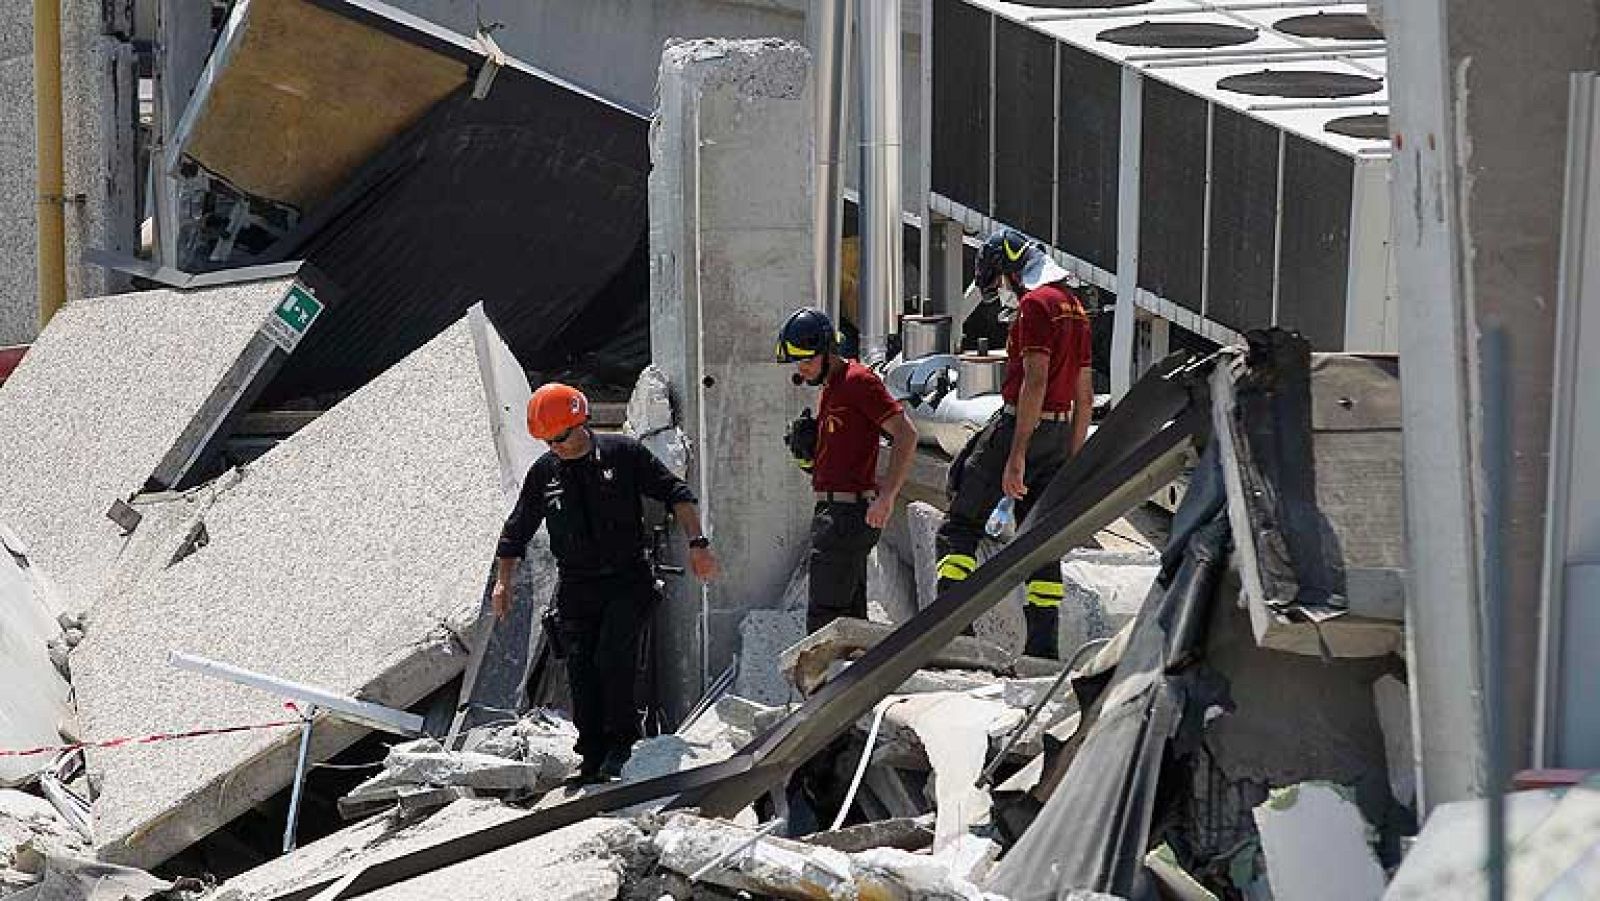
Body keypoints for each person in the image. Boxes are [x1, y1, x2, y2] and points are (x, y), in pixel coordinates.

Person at [491, 382, 719, 783]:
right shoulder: (545, 473)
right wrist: (503, 583)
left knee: (613, 660)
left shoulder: (623, 454)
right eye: (546, 440)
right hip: (577, 587)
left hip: (627, 580)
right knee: (580, 669)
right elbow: (516, 530)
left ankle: (622, 746)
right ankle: (591, 754)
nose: (554, 446)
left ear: (580, 423)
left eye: (559, 437)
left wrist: (698, 544)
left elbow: (676, 493)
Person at [935, 229, 1094, 659]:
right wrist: (1074, 460)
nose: (1002, 291)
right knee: (1040, 538)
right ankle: (1042, 651)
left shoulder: (1035, 306)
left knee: (959, 526)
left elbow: (1035, 381)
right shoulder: (1075, 308)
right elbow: (1084, 393)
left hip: (1023, 426)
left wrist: (1017, 454)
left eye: (1000, 281)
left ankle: (955, 637)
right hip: (1060, 436)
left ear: (1009, 270)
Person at [776, 307, 918, 634]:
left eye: (807, 360)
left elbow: (906, 434)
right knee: (849, 625)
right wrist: (810, 458)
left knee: (823, 624)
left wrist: (887, 497)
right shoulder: (833, 387)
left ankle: (822, 687)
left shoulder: (858, 382)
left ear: (827, 352)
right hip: (835, 510)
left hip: (847, 515)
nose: (802, 368)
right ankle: (858, 682)